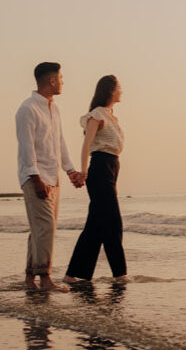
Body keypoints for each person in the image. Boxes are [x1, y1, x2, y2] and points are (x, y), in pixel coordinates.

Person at [16, 62, 84, 291]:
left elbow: (60, 142)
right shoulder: (27, 109)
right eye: (61, 78)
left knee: (40, 228)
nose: (63, 82)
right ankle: (45, 279)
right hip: (36, 177)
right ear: (52, 81)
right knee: (46, 228)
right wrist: (36, 179)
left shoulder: (54, 109)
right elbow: (27, 147)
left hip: (53, 177)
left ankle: (30, 278)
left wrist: (71, 170)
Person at [63, 74, 127, 283]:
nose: (122, 91)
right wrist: (83, 172)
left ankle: (73, 275)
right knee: (113, 223)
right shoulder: (97, 115)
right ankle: (120, 274)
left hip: (111, 168)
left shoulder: (111, 116)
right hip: (99, 169)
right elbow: (87, 145)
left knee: (96, 226)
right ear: (110, 90)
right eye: (119, 87)